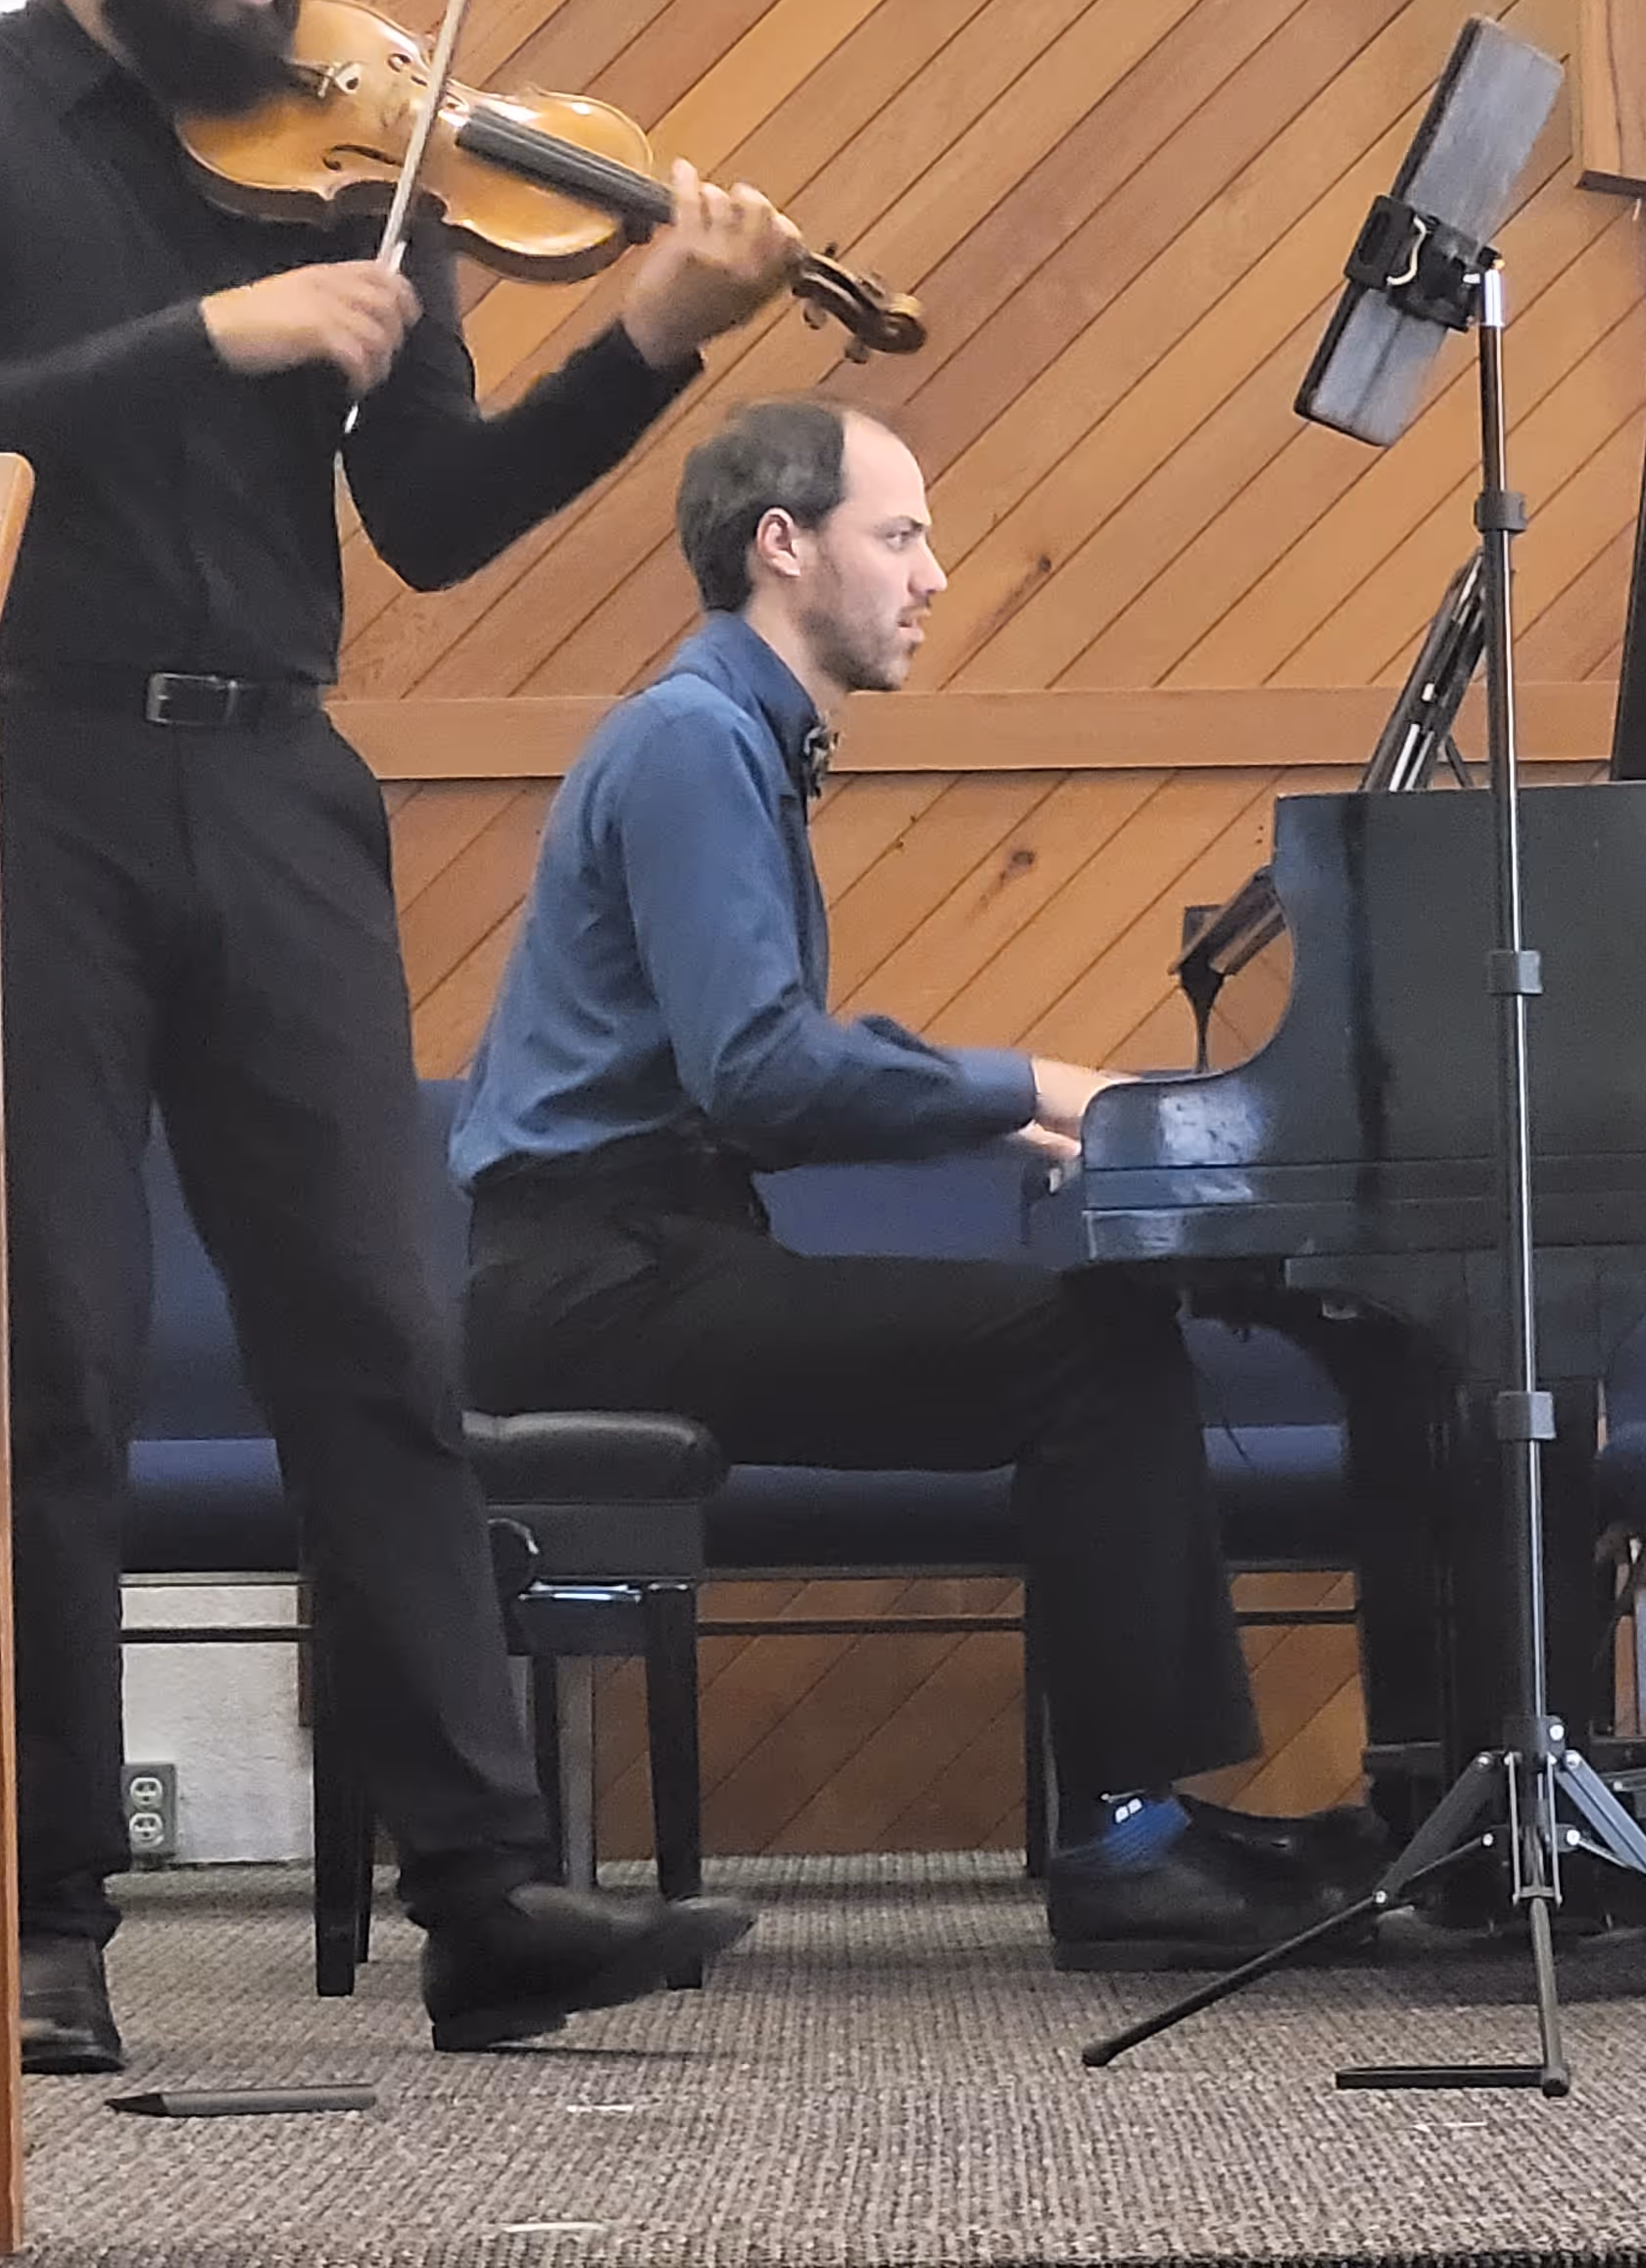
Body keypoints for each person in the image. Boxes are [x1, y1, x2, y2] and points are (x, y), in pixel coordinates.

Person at [0, 0, 780, 2068]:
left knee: (381, 1337)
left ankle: (482, 1898)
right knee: (53, 1362)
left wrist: (647, 338)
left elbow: (430, 524)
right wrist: (209, 332)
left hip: (275, 791)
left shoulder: (363, 161)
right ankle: (43, 1926)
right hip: (20, 783)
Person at [448, 396, 1378, 1969]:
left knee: (1093, 1344)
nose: (934, 573)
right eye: (902, 534)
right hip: (591, 1287)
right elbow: (759, 1071)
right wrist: (1029, 1085)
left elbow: (762, 1052)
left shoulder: (722, 734)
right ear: (782, 545)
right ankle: (1123, 1841)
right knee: (1091, 1352)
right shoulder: (693, 741)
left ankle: (1141, 1815)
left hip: (623, 1260)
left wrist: (984, 1112)